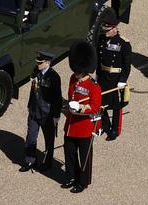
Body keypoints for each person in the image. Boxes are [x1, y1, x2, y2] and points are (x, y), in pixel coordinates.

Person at [62, 41, 102, 193]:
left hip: (84, 127)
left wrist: (80, 107)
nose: (76, 73)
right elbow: (70, 94)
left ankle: (82, 182)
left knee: (84, 157)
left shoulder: (94, 86)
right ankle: (71, 176)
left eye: (79, 70)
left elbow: (95, 107)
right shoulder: (73, 78)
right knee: (69, 153)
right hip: (71, 124)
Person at [21, 50, 63, 173]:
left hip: (47, 113)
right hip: (34, 111)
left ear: (48, 62)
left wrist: (56, 115)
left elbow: (57, 98)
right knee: (31, 137)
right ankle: (30, 160)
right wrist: (29, 104)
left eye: (41, 62)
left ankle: (47, 162)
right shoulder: (36, 72)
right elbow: (33, 90)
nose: (38, 64)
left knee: (49, 140)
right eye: (38, 62)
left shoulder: (54, 77)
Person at [96, 11, 131, 141]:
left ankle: (115, 129)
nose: (106, 33)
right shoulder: (101, 39)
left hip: (116, 78)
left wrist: (123, 80)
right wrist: (97, 75)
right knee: (101, 103)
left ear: (115, 28)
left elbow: (127, 65)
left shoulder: (124, 44)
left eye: (108, 30)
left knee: (116, 106)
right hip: (103, 76)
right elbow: (99, 59)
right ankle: (105, 125)